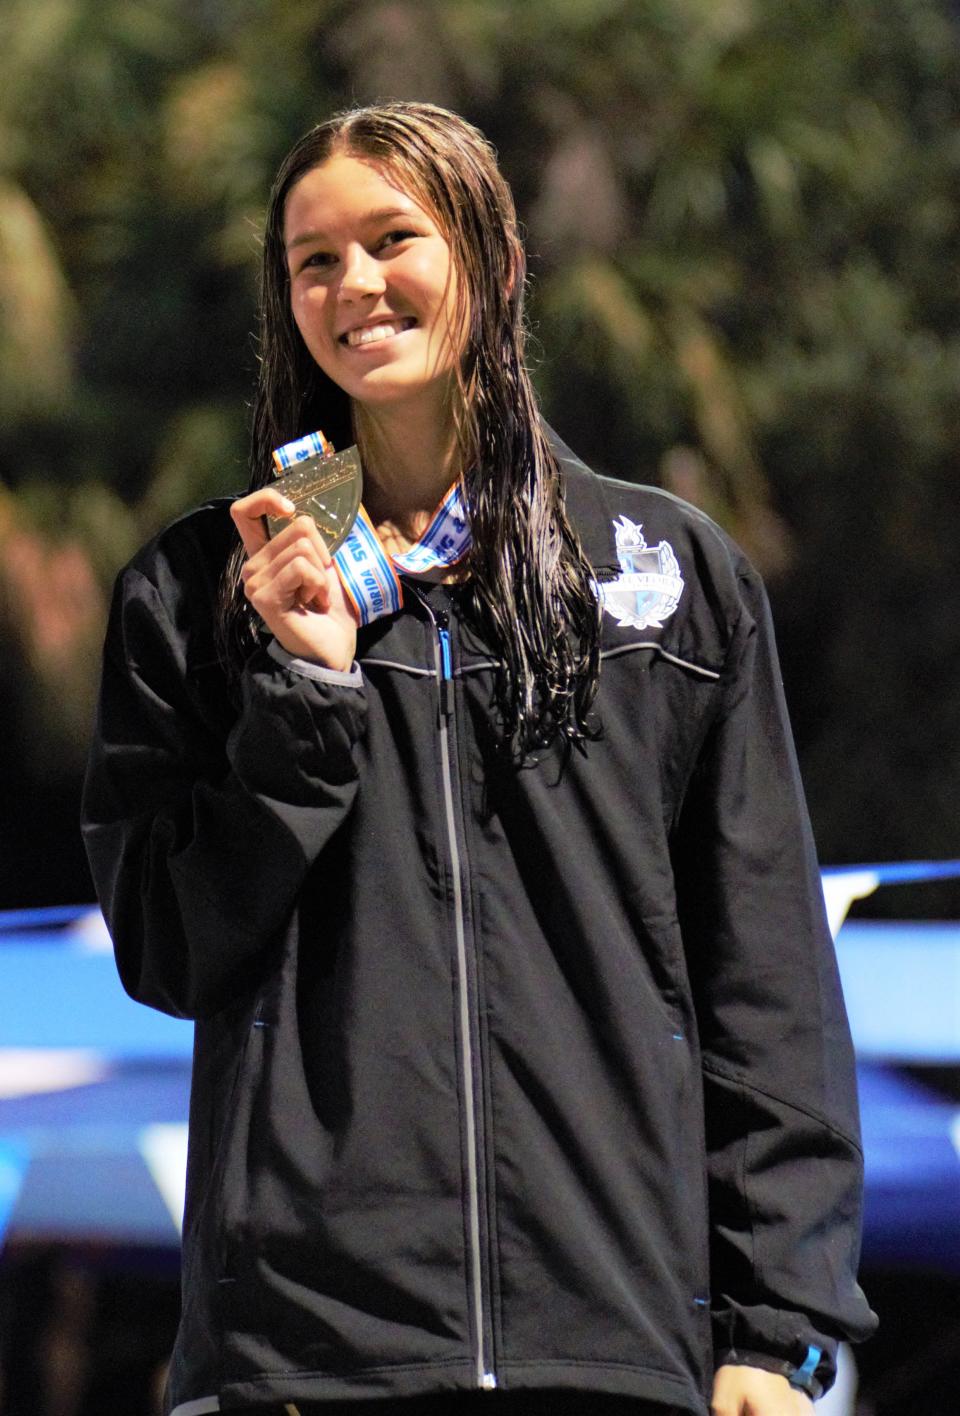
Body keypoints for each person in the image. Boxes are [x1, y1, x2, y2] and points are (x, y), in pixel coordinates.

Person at [81, 102, 876, 1416]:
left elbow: (767, 980)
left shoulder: (666, 581)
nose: (356, 286)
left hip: (620, 1347)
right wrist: (304, 693)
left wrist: (775, 1325)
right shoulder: (199, 591)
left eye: (395, 238)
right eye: (314, 259)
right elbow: (168, 950)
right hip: (303, 1358)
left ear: (496, 263)